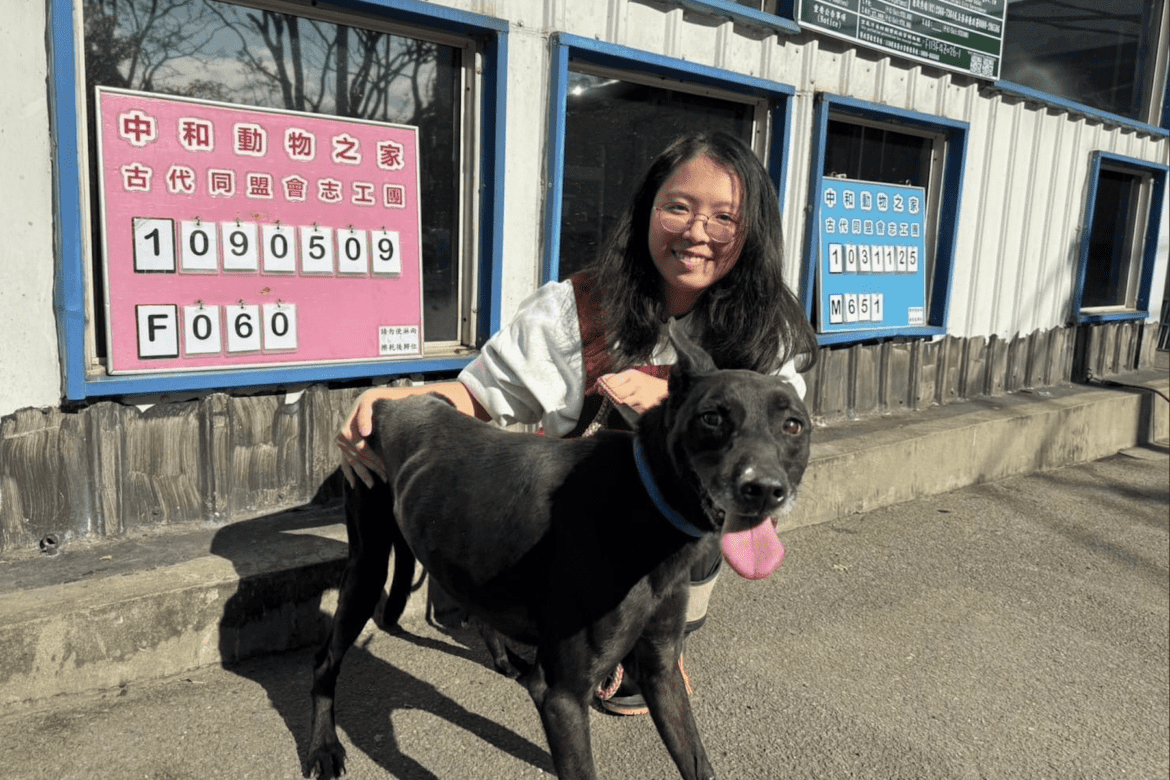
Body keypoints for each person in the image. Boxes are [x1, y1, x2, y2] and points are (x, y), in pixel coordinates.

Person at [336, 130, 817, 715]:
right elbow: (478, 396)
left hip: (685, 520)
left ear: (752, 232)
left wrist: (671, 401)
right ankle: (581, 632)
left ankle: (662, 644)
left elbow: (782, 426)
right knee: (553, 654)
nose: (696, 233)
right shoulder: (575, 310)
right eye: (678, 208)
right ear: (646, 211)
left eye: (724, 217)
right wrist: (390, 398)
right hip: (576, 529)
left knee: (709, 515)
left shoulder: (770, 325)